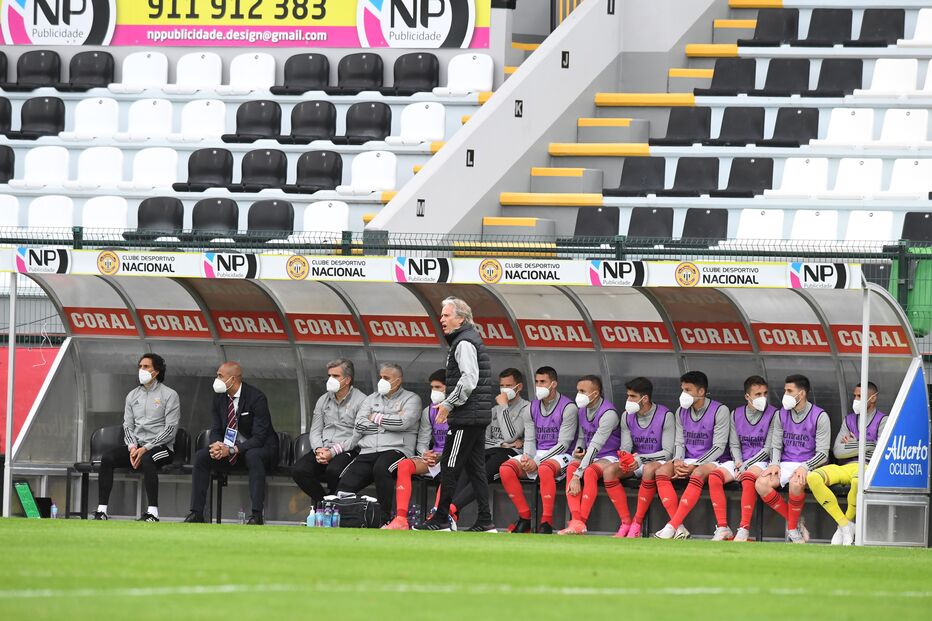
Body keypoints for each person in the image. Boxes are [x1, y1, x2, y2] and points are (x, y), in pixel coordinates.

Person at [415, 297, 493, 532]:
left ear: (461, 318)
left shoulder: (464, 343)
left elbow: (469, 380)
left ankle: (440, 519)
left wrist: (449, 404)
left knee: (449, 466)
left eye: (446, 315)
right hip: (475, 416)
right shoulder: (466, 339)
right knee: (476, 469)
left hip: (466, 417)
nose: (442, 319)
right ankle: (485, 520)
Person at [185, 361, 279, 525]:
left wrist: (232, 450)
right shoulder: (219, 397)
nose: (217, 379)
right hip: (229, 449)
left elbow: (259, 437)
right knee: (202, 456)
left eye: (220, 376)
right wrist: (217, 445)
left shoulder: (256, 398)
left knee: (253, 455)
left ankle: (256, 514)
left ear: (233, 379)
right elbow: (215, 429)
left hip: (260, 449)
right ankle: (196, 513)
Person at [94, 353, 180, 522]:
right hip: (136, 446)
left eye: (146, 367)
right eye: (140, 366)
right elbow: (127, 425)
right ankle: (101, 510)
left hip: (162, 448)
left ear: (156, 371)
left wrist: (145, 448)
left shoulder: (170, 395)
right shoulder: (132, 395)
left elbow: (170, 429)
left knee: (148, 459)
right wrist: (132, 447)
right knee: (107, 458)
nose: (142, 370)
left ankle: (152, 513)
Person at [336, 363, 422, 526]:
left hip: (397, 449)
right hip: (368, 450)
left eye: (386, 378)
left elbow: (403, 423)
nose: (382, 381)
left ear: (398, 381)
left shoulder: (412, 399)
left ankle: (384, 519)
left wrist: (374, 417)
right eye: (381, 377)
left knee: (382, 469)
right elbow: (359, 424)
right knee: (346, 481)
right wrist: (387, 422)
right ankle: (344, 519)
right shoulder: (371, 398)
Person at [499, 366, 578, 534]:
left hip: (562, 455)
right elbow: (529, 438)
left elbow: (564, 444)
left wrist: (537, 461)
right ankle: (525, 517)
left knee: (544, 468)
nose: (539, 385)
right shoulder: (531, 407)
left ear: (553, 384)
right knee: (505, 469)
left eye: (543, 382)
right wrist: (528, 457)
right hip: (537, 454)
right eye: (536, 382)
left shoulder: (568, 407)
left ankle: (546, 523)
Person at [807, 382, 887, 546]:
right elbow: (838, 451)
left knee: (858, 481)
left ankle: (842, 527)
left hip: (867, 467)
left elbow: (880, 452)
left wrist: (853, 443)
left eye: (860, 396)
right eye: (855, 395)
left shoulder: (883, 420)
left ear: (873, 398)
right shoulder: (849, 420)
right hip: (846, 466)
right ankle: (844, 524)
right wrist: (867, 444)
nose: (856, 399)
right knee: (813, 477)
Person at [654, 371, 730, 540]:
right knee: (661, 472)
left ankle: (671, 525)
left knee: (697, 473)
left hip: (715, 460)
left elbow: (718, 447)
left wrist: (694, 465)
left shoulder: (720, 410)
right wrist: (679, 461)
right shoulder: (681, 411)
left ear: (701, 392)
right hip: (688, 460)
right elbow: (679, 442)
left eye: (688, 390)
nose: (683, 394)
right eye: (682, 389)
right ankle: (679, 526)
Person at [755, 374, 830, 543]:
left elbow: (823, 453)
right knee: (761, 483)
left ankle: (792, 529)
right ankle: (794, 521)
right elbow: (776, 444)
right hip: (786, 463)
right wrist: (774, 464)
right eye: (785, 391)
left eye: (789, 391)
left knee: (796, 484)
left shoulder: (820, 416)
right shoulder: (781, 414)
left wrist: (805, 466)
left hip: (809, 464)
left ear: (801, 394)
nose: (785, 395)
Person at [447, 368, 528, 525]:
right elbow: (483, 439)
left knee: (482, 471)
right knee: (468, 464)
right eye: (502, 385)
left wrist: (504, 407)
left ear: (519, 387)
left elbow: (511, 435)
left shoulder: (526, 408)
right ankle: (453, 514)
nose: (504, 390)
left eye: (509, 385)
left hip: (513, 455)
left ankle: (450, 510)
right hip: (493, 450)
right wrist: (502, 443)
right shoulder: (493, 410)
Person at [705, 375, 777, 542]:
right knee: (714, 477)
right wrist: (738, 462)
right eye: (758, 394)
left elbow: (768, 448)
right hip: (740, 460)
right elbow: (735, 445)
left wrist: (744, 466)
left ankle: (744, 529)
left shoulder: (775, 414)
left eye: (765, 393)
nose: (763, 398)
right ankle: (723, 527)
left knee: (748, 477)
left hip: (762, 461)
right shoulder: (735, 414)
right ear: (747, 396)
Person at [601, 376, 674, 539]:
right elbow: (626, 447)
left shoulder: (665, 415)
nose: (628, 400)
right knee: (609, 472)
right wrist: (625, 458)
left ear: (645, 398)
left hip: (657, 461)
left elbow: (668, 452)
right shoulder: (627, 416)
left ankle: (637, 523)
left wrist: (640, 459)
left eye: (632, 396)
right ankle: (625, 522)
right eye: (628, 396)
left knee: (649, 469)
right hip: (637, 460)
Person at [291, 359, 367, 506]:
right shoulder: (323, 400)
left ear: (347, 379)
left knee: (334, 471)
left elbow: (358, 436)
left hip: (346, 449)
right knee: (299, 470)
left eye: (336, 376)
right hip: (323, 449)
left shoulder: (362, 400)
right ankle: (325, 503)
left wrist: (333, 452)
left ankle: (336, 507)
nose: (330, 379)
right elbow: (315, 429)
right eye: (329, 375)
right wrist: (319, 449)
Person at [383, 369, 448, 530]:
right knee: (405, 465)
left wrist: (440, 457)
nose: (434, 392)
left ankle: (435, 516)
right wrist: (425, 454)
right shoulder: (429, 411)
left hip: (451, 458)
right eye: (432, 387)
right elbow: (423, 441)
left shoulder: (460, 411)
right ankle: (401, 519)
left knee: (450, 468)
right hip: (433, 458)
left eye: (438, 387)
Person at [558, 375, 621, 535]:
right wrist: (578, 451)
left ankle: (581, 521)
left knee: (589, 472)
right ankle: (576, 521)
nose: (578, 395)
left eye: (582, 391)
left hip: (609, 456)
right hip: (591, 455)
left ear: (595, 394)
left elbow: (595, 445)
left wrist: (578, 475)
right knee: (572, 466)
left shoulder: (608, 413)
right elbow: (582, 438)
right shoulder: (582, 410)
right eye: (578, 390)